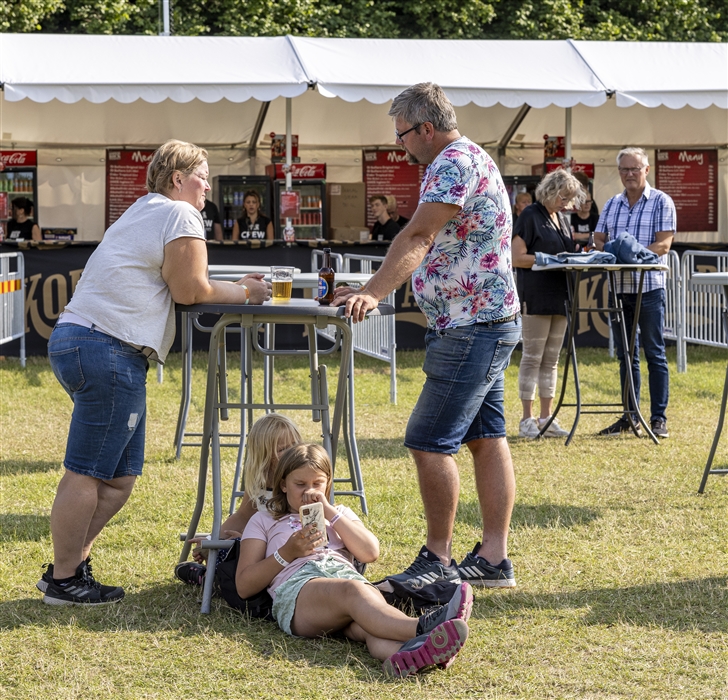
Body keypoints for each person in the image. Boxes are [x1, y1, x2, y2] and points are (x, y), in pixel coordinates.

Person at [37, 139, 272, 606]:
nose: (208, 186)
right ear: (177, 179)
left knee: (119, 477)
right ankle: (63, 580)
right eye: (202, 176)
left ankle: (72, 568)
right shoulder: (179, 214)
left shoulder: (144, 210)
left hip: (91, 342)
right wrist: (247, 293)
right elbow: (190, 288)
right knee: (86, 472)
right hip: (108, 347)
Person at [332, 83, 521, 589]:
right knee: (486, 438)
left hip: (471, 323)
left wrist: (372, 293)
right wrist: (372, 285)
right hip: (484, 317)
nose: (401, 147)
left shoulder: (451, 164)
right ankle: (493, 558)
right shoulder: (470, 156)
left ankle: (437, 558)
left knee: (428, 440)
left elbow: (418, 236)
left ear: (426, 128)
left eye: (402, 137)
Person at [236, 443, 473, 679]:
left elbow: (370, 552)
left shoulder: (340, 513)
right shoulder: (264, 520)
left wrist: (329, 512)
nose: (309, 491)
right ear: (283, 485)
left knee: (368, 627)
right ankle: (424, 626)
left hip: (347, 583)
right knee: (353, 590)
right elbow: (244, 586)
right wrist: (287, 552)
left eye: (317, 483)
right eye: (300, 484)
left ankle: (410, 654)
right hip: (300, 591)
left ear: (327, 483)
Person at [594, 147, 675, 439]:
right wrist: (616, 250)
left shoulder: (662, 201)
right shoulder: (612, 204)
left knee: (654, 353)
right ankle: (630, 415)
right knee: (626, 356)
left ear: (647, 170)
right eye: (625, 170)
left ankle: (658, 418)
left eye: (635, 169)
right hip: (619, 288)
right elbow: (598, 239)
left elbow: (664, 245)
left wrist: (626, 253)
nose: (630, 174)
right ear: (619, 173)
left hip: (649, 288)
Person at [174, 413, 302, 585]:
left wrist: (246, 540)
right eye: (282, 449)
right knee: (231, 544)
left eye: (295, 445)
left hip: (291, 546)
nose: (291, 453)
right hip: (262, 549)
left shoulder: (301, 482)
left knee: (237, 545)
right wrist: (213, 541)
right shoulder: (260, 481)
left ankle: (212, 579)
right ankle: (211, 576)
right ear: (264, 454)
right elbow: (243, 515)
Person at [512, 169, 585, 439]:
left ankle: (547, 417)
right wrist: (547, 260)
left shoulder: (562, 219)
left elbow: (564, 252)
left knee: (551, 359)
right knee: (533, 356)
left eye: (570, 199)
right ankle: (527, 420)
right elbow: (517, 258)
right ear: (551, 191)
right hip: (536, 294)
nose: (567, 203)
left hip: (560, 294)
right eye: (563, 197)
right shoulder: (530, 215)